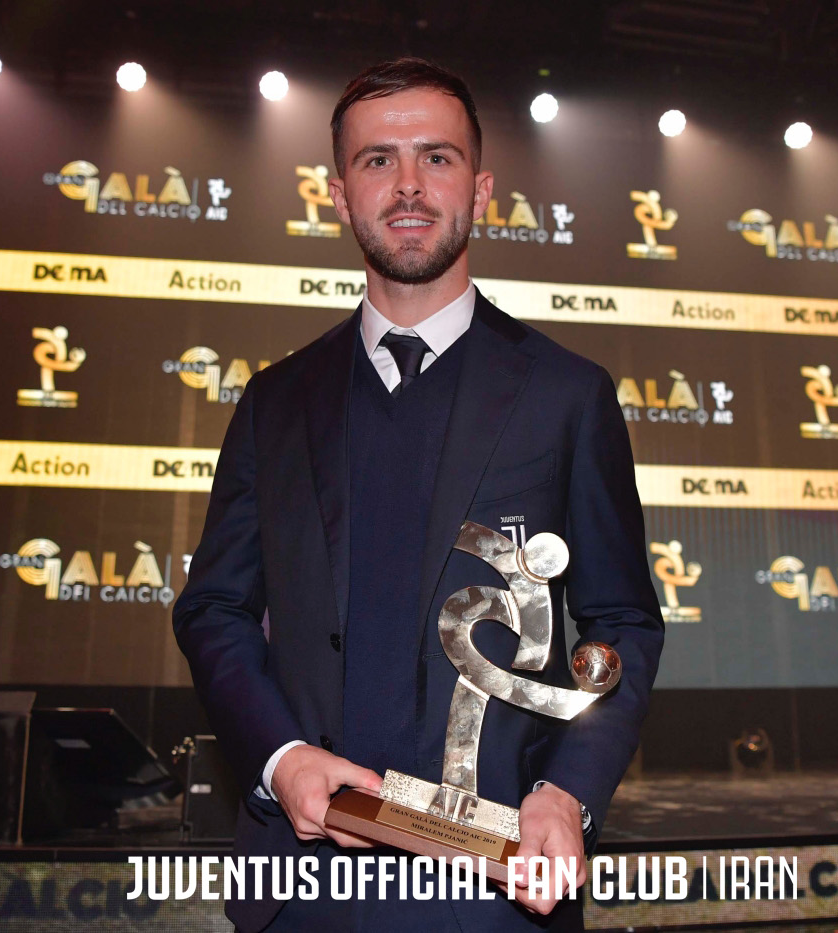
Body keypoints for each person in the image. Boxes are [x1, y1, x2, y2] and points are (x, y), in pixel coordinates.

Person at [173, 57, 663, 932]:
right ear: (338, 194)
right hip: (302, 887)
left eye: (436, 157)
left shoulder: (567, 394)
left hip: (497, 887)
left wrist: (568, 791)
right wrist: (281, 760)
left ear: (480, 189)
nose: (407, 184)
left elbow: (620, 621)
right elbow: (214, 608)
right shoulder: (275, 400)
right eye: (377, 160)